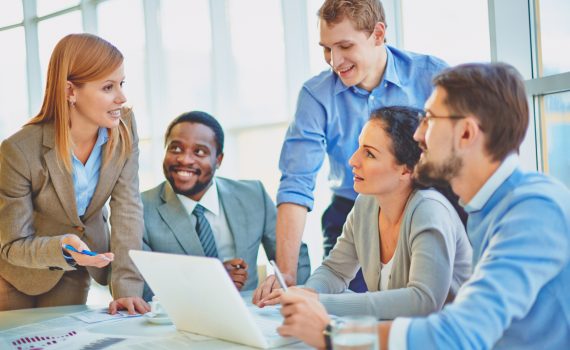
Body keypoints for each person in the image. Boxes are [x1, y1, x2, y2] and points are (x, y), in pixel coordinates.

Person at [276, 63, 570, 350]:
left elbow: (460, 333)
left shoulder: (533, 211)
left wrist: (332, 334)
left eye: (430, 118)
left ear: (466, 133)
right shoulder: (485, 209)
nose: (418, 134)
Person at [254, 0, 448, 299]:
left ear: (378, 34)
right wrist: (286, 274)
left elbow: (465, 150)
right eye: (326, 48)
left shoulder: (431, 76)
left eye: (345, 46)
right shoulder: (316, 95)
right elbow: (296, 183)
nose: (334, 60)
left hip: (425, 204)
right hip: (352, 212)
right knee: (346, 311)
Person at [255, 106, 472, 319]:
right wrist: (306, 295)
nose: (353, 160)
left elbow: (422, 301)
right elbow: (335, 271)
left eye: (369, 153)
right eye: (359, 147)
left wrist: (319, 302)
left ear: (407, 169)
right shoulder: (366, 204)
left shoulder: (430, 210)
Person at [0, 34, 148, 314]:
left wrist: (127, 290)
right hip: (17, 273)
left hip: (78, 267)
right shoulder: (19, 150)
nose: (122, 97)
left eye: (121, 83)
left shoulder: (125, 126)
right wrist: (62, 247)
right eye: (108, 87)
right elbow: (12, 245)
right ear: (70, 91)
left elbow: (127, 208)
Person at [141, 111, 310, 301]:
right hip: (177, 322)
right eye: (176, 149)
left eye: (199, 152)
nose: (185, 159)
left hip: (252, 314)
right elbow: (140, 288)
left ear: (218, 160)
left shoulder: (253, 195)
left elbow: (296, 256)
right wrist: (211, 281)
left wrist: (289, 299)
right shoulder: (141, 208)